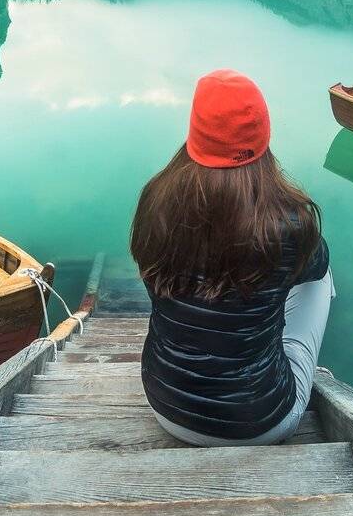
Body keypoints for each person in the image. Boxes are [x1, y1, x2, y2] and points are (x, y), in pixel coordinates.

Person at [129, 69, 334, 446]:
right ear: (262, 133)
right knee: (319, 273)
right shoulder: (291, 222)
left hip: (165, 405)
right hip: (260, 421)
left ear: (196, 133)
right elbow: (313, 268)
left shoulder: (155, 202)